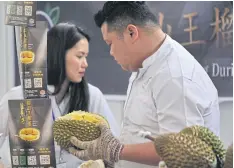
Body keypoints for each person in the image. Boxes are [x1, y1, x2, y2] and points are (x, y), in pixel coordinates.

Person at [68, 1, 220, 168]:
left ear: (132, 33)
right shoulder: (144, 66)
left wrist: (113, 149)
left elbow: (181, 151)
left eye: (110, 43)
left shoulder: (175, 78)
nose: (111, 52)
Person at [0, 22, 119, 168]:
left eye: (86, 57)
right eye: (80, 56)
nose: (85, 64)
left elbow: (113, 148)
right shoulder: (19, 96)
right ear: (58, 55)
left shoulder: (92, 96)